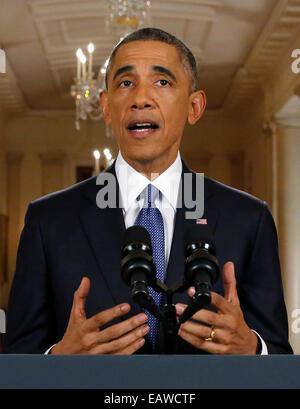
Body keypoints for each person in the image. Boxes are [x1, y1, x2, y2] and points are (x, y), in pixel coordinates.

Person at [3, 28, 292, 355]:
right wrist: (57, 362)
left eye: (162, 82)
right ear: (107, 108)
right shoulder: (48, 221)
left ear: (194, 107)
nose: (140, 98)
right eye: (125, 83)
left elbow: (279, 361)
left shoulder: (249, 219)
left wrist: (254, 350)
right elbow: (16, 364)